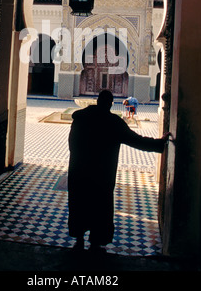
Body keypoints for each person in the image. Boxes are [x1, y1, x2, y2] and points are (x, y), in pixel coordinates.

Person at [68, 89, 171, 253]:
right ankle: (95, 243)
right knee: (100, 208)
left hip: (79, 172)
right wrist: (159, 143)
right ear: (110, 104)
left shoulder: (80, 118)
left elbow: (71, 144)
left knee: (80, 205)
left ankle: (79, 241)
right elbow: (136, 141)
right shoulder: (113, 123)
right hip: (102, 175)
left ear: (97, 101)